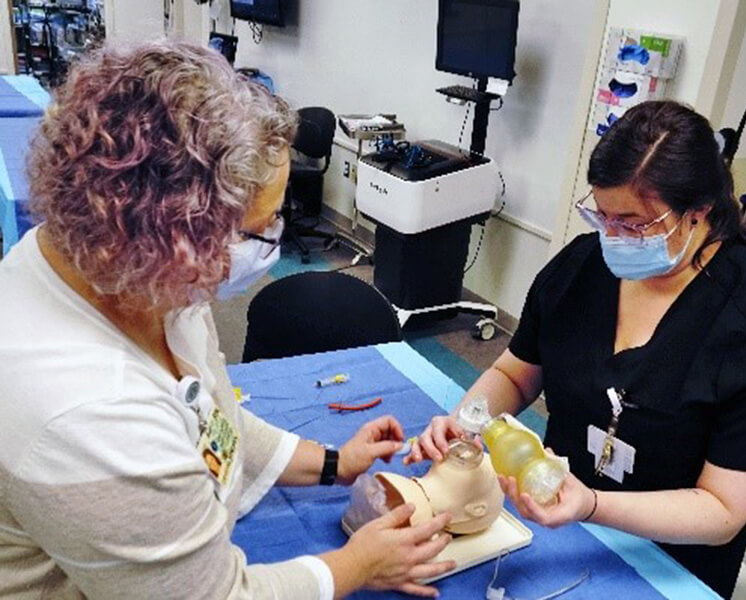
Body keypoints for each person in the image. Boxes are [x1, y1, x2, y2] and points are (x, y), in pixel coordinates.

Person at [0, 41, 455, 599]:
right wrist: (356, 565)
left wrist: (334, 462)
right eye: (259, 228)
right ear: (171, 230)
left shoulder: (140, 277)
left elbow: (212, 415)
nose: (274, 244)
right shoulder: (88, 411)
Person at [408, 101, 746, 599]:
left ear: (698, 213)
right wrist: (467, 423)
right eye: (602, 216)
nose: (612, 237)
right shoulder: (582, 269)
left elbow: (721, 511)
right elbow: (514, 373)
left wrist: (591, 504)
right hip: (553, 526)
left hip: (669, 563)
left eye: (633, 224)